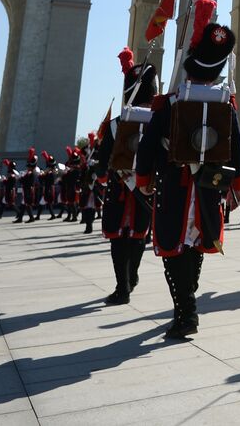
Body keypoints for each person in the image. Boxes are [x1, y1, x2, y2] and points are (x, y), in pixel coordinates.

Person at [134, 0, 240, 338]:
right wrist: (238, 184)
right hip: (209, 187)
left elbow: (149, 142)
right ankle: (188, 303)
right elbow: (237, 146)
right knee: (196, 244)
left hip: (175, 185)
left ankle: (186, 312)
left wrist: (142, 177)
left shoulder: (170, 102)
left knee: (174, 249)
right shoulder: (226, 103)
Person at [99, 46, 159, 304]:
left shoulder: (115, 124)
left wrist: (102, 175)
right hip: (143, 189)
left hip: (120, 189)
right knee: (137, 236)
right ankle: (129, 278)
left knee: (121, 239)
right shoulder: (158, 121)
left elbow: (102, 161)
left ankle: (123, 285)